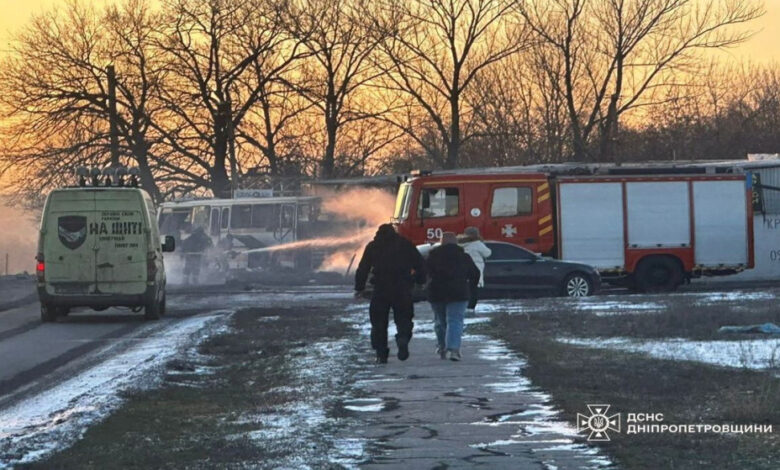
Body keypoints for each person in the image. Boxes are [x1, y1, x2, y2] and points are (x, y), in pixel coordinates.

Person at [355, 224, 426, 364]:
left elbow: (363, 268)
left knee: (378, 323)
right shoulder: (405, 244)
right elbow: (420, 264)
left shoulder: (373, 246)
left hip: (380, 288)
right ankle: (403, 338)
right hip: (402, 288)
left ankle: (381, 353)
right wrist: (419, 281)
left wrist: (359, 288)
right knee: (404, 318)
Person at [426, 232, 480, 361]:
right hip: (459, 293)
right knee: (455, 321)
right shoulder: (464, 257)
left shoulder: (433, 256)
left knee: (441, 321)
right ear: (456, 242)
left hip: (437, 293)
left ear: (441, 242)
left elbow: (424, 273)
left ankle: (442, 347)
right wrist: (471, 287)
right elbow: (475, 273)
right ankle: (454, 350)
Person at [459, 226, 492, 311]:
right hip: (475, 269)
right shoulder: (477, 244)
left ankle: (464, 306)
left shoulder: (459, 244)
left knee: (465, 289)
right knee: (473, 290)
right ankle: (470, 308)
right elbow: (487, 253)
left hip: (462, 269)